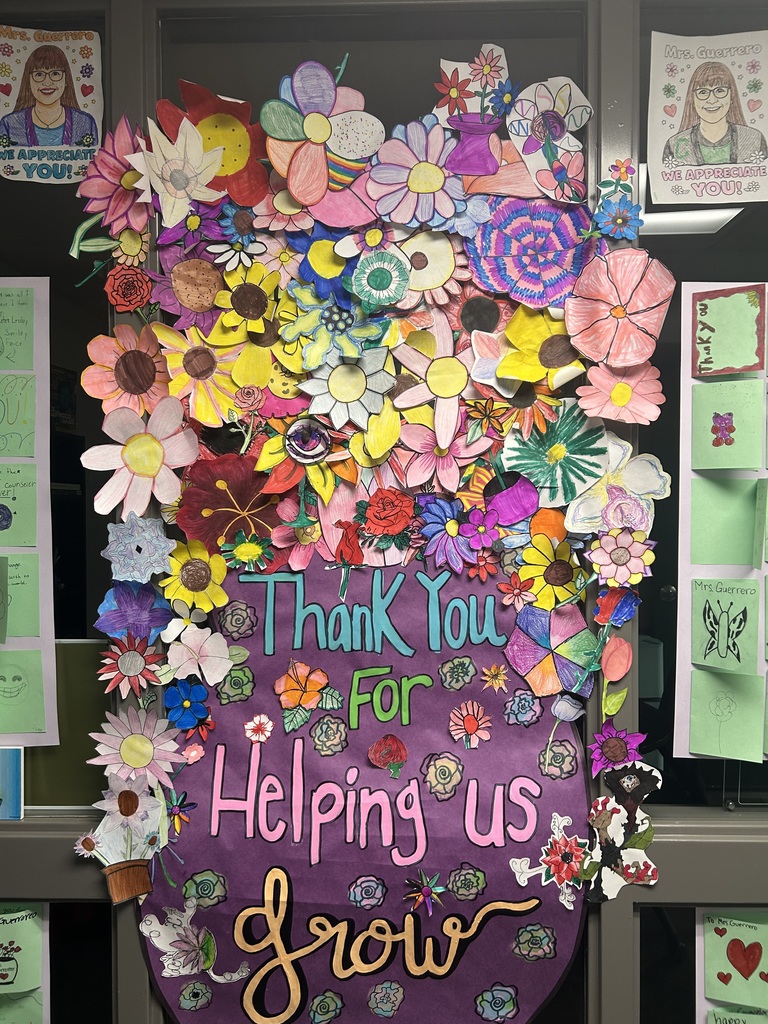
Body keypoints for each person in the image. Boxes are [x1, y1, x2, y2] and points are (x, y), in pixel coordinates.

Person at [662, 61, 767, 165]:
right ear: (692, 99)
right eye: (703, 92)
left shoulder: (754, 139)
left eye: (720, 90)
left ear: (731, 96)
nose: (712, 100)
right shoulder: (675, 145)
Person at [0, 44, 98, 147]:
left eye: (55, 73)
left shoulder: (85, 123)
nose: (47, 82)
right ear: (28, 81)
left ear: (66, 79)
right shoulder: (9, 124)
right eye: (39, 74)